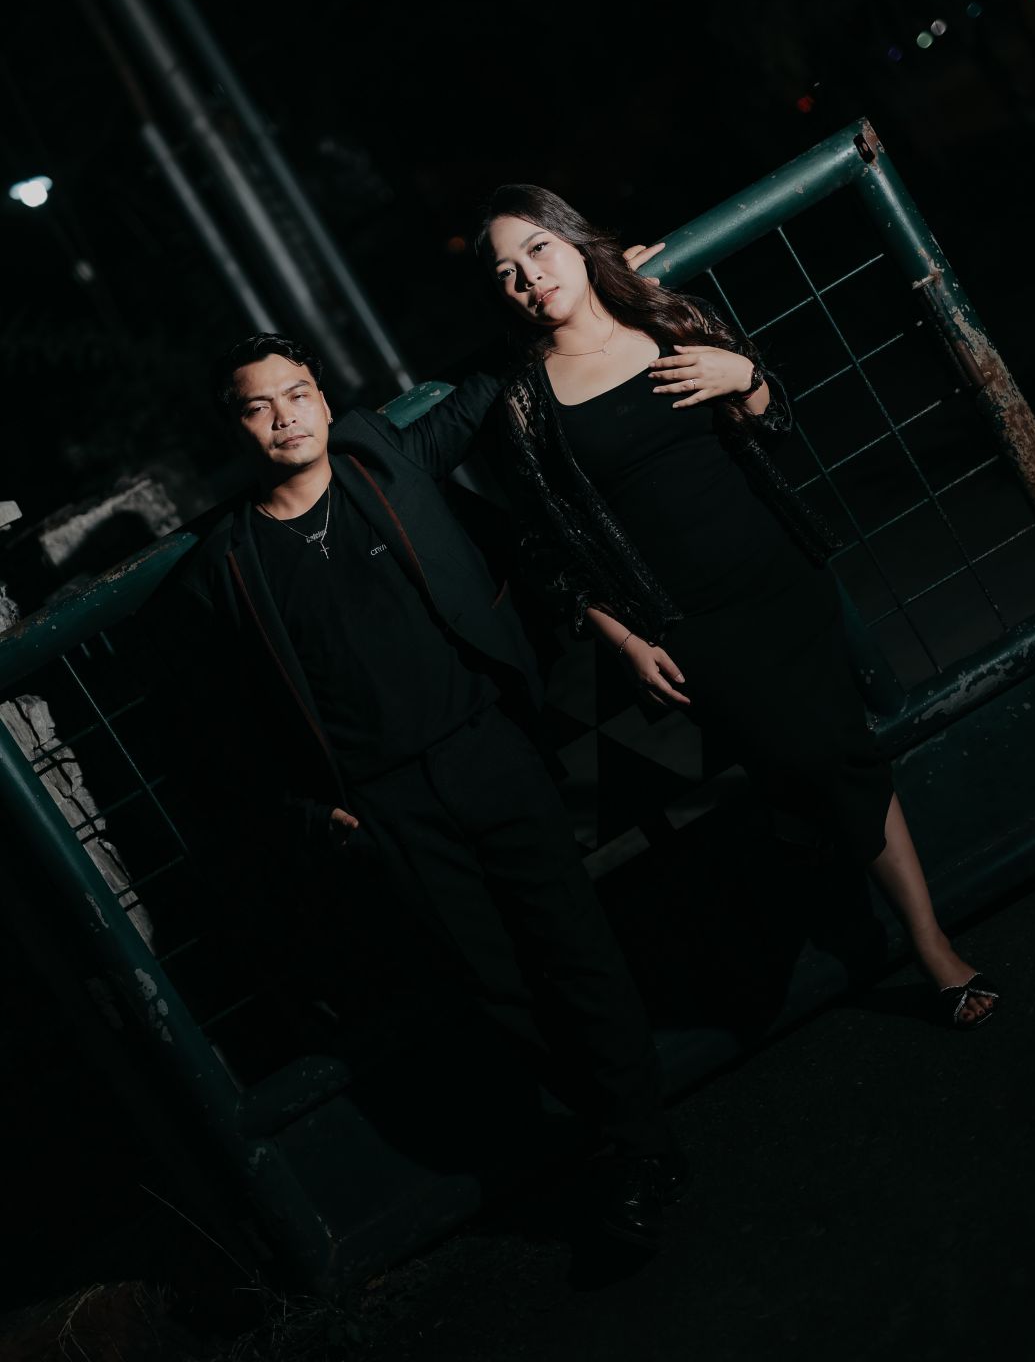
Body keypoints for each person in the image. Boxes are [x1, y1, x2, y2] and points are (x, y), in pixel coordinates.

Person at [176, 332, 686, 1249]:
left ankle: (642, 1145)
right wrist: (319, 814)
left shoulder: (384, 459)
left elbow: (489, 384)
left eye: (297, 393)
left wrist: (596, 293)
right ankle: (609, 1133)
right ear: (236, 429)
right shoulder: (225, 567)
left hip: (486, 749)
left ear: (323, 399)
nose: (284, 416)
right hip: (387, 806)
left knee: (575, 944)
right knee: (496, 986)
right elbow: (225, 733)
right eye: (258, 406)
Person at [476, 184, 1000, 1031]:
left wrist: (745, 375)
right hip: (691, 623)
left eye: (538, 249)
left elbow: (774, 423)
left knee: (835, 754)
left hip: (781, 581)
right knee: (813, 760)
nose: (528, 276)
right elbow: (545, 552)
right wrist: (624, 641)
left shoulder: (667, 318)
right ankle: (860, 894)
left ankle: (926, 940)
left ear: (574, 242)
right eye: (506, 271)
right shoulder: (524, 403)